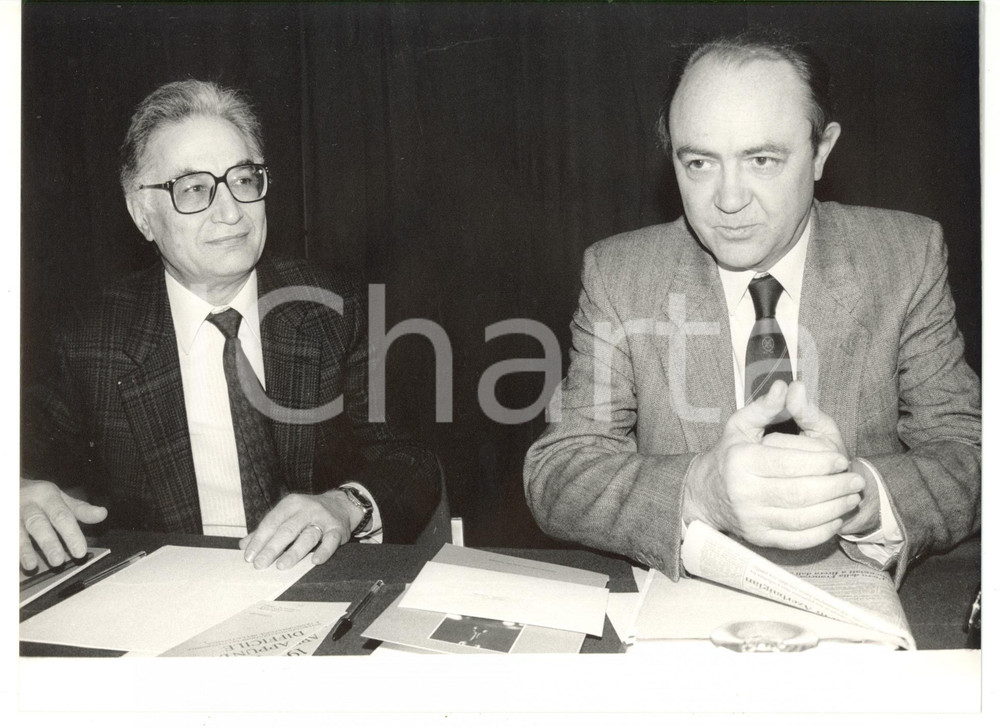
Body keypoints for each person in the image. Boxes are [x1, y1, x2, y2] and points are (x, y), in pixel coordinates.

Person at [524, 31, 981, 586]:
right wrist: (701, 489)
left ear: (821, 152)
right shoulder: (620, 275)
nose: (729, 198)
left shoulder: (905, 256)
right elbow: (559, 472)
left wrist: (856, 494)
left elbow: (970, 451)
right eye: (699, 163)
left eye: (761, 159)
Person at [21, 80, 440, 572]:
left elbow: (412, 461)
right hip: (163, 599)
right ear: (143, 216)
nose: (230, 211)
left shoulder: (334, 306)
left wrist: (343, 506)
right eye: (194, 188)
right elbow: (24, 458)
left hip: (319, 582)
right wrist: (20, 493)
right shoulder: (89, 339)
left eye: (243, 179)